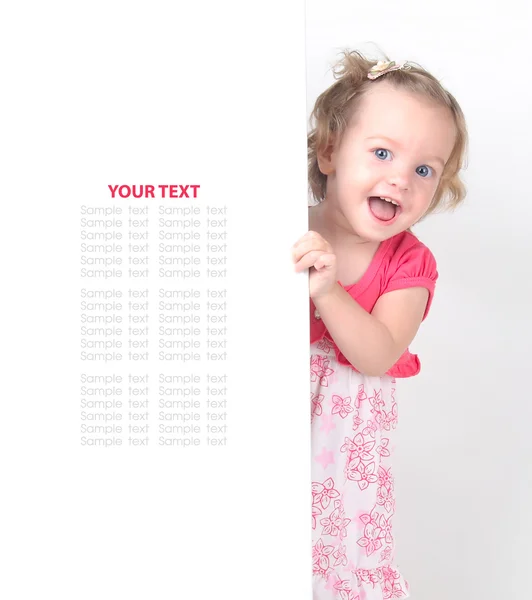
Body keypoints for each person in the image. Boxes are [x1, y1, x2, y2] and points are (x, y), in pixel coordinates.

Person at [292, 51, 467, 600]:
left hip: (339, 460)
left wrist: (327, 290)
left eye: (423, 169)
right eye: (383, 152)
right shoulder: (283, 230)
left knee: (334, 561)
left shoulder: (408, 265)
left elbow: (377, 354)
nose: (400, 177)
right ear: (329, 152)